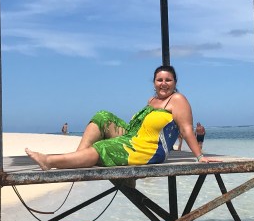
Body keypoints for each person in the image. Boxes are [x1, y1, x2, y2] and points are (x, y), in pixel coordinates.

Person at [25, 65, 209, 170]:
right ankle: (77, 158)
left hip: (149, 150)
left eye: (168, 80)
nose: (163, 84)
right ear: (154, 82)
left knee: (103, 147)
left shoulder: (177, 100)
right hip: (132, 137)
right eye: (159, 80)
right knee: (102, 116)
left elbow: (186, 129)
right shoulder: (151, 100)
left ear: (175, 82)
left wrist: (199, 156)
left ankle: (49, 161)